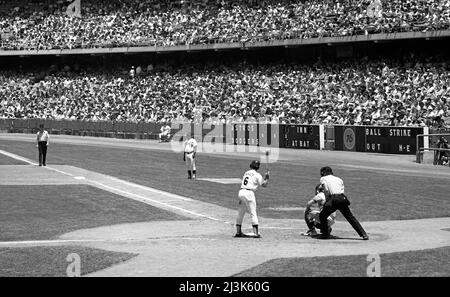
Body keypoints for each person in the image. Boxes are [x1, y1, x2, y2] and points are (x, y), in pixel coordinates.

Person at [318, 166, 369, 240]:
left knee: (322, 216)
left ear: (324, 173)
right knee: (350, 217)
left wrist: (327, 202)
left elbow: (326, 190)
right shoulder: (339, 179)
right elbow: (342, 191)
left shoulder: (323, 179)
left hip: (333, 199)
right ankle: (363, 234)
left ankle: (325, 234)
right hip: (342, 198)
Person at [235, 160, 269, 238]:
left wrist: (265, 178)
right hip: (249, 194)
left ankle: (238, 232)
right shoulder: (257, 175)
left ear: (251, 166)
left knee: (240, 213)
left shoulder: (246, 173)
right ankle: (256, 233)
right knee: (253, 213)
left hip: (241, 192)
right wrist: (267, 178)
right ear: (258, 167)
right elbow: (264, 185)